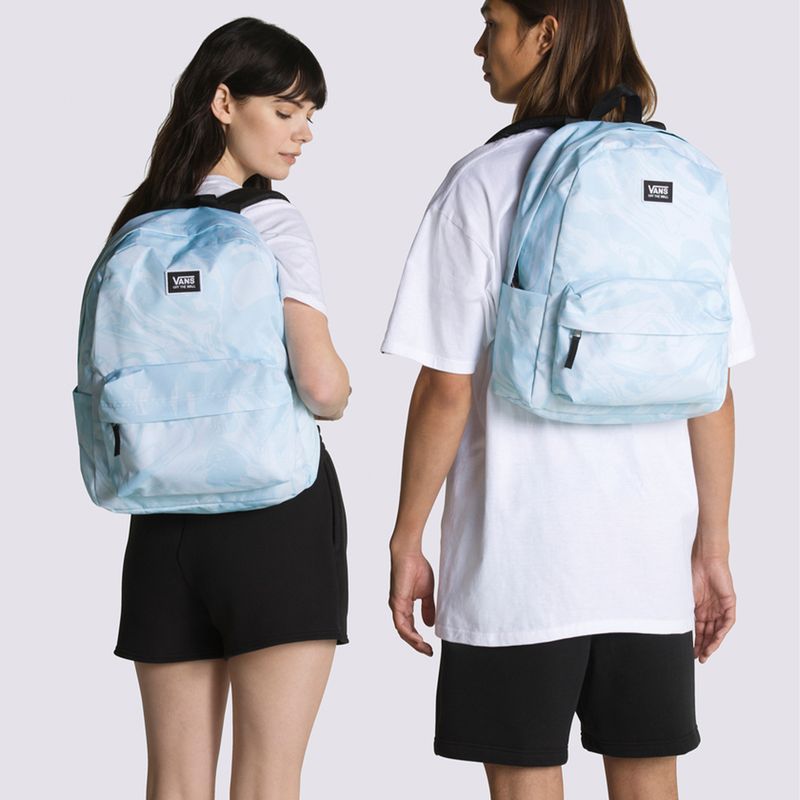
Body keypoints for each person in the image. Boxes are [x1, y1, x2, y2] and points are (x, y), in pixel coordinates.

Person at [381, 2, 755, 798]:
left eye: (494, 23)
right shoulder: (681, 176)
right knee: (650, 780)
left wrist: (407, 538)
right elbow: (714, 386)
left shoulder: (484, 180)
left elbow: (445, 387)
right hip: (648, 565)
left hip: (518, 566)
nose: (479, 44)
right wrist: (712, 546)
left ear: (545, 32)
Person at [108, 18, 350, 800]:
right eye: (284, 111)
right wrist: (343, 390)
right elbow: (321, 385)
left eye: (308, 115)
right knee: (268, 780)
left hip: (163, 522)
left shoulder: (138, 224)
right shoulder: (271, 222)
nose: (303, 133)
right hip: (274, 513)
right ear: (223, 102)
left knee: (174, 784)